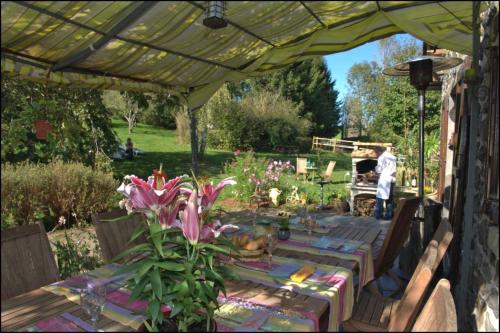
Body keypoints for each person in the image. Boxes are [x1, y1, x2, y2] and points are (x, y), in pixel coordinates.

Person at [373, 146, 397, 220]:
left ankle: (378, 215)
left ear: (379, 151)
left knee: (380, 198)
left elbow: (379, 169)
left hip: (384, 179)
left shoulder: (382, 157)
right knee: (389, 198)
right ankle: (389, 216)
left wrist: (375, 169)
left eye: (376, 153)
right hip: (392, 179)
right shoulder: (392, 157)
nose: (376, 155)